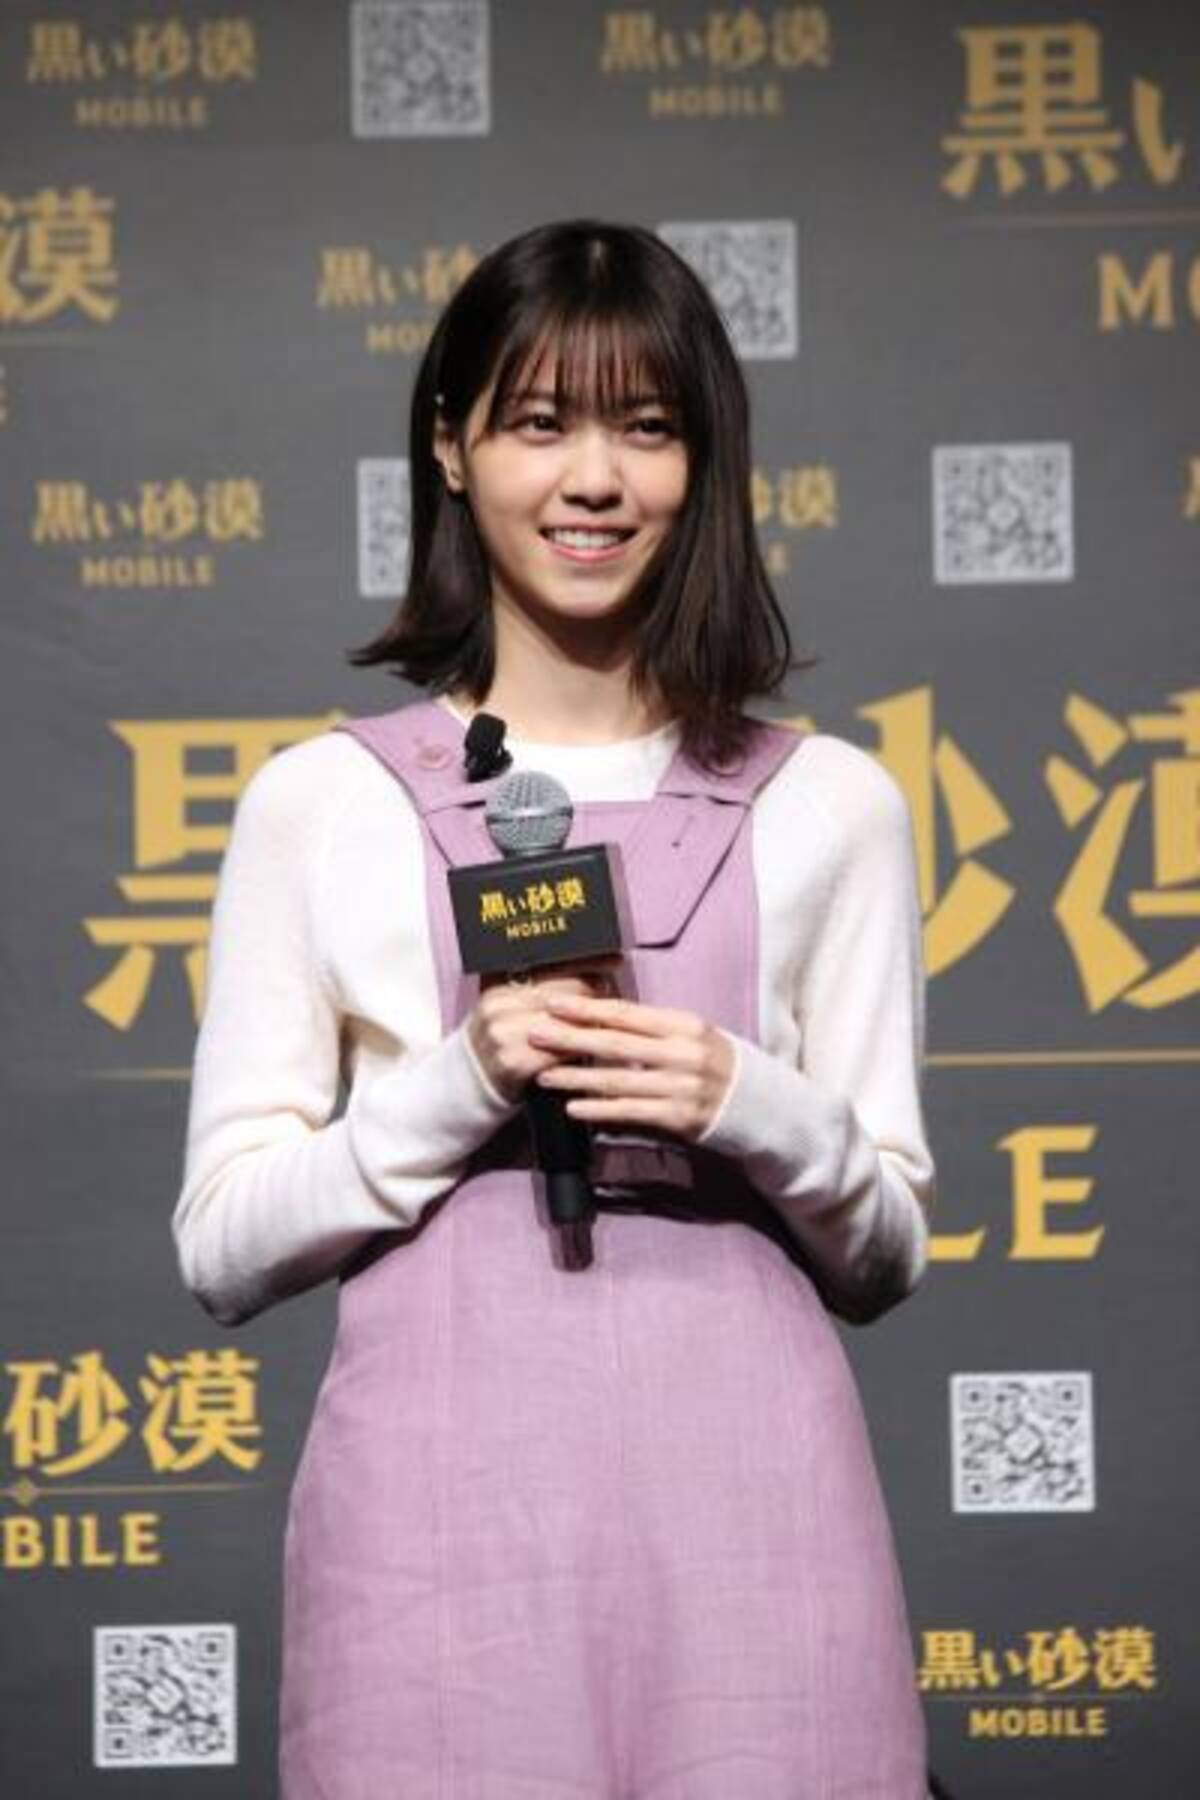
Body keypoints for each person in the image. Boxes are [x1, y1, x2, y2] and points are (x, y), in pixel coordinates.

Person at [174, 218, 936, 1799]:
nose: (594, 479)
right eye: (540, 423)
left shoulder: (835, 804)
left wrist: (745, 1098)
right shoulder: (319, 803)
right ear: (451, 448)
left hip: (760, 1536)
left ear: (702, 463)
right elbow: (223, 1247)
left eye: (645, 429)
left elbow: (887, 1250)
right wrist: (462, 1080)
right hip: (433, 1547)